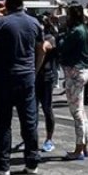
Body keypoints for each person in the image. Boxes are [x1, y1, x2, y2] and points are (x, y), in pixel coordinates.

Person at [0, 0, 45, 175]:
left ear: (6, 5)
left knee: (3, 121)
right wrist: (35, 69)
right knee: (29, 120)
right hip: (26, 75)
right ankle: (32, 161)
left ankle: (2, 164)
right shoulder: (34, 22)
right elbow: (41, 50)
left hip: (5, 75)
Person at [57, 4, 88, 161]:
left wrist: (61, 33)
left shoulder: (75, 31)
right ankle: (84, 145)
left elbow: (63, 46)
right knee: (81, 110)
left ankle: (79, 148)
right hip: (83, 70)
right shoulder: (84, 29)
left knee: (76, 112)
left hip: (74, 72)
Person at [36, 16, 59, 154]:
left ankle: (49, 139)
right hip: (34, 77)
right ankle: (30, 137)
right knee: (31, 110)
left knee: (47, 108)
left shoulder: (50, 38)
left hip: (46, 77)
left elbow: (45, 48)